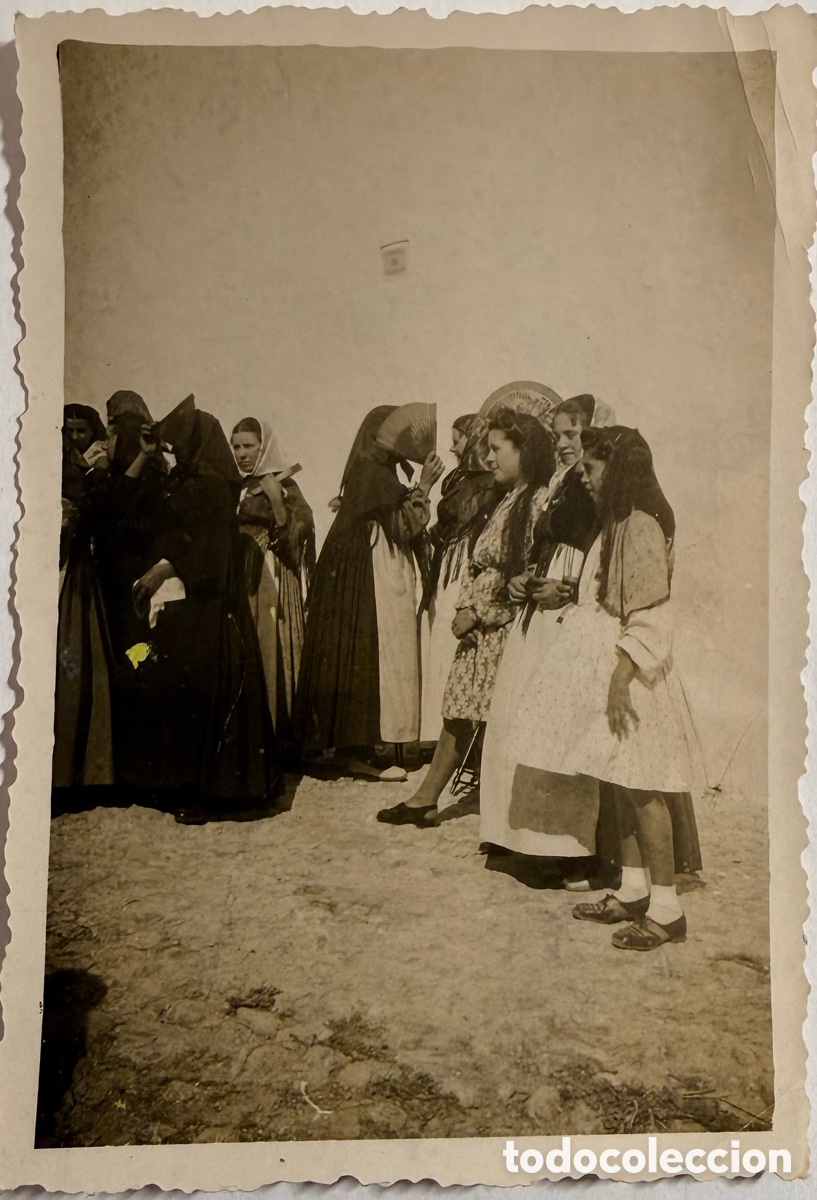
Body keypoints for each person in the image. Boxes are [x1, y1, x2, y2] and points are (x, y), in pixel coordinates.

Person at [512, 425, 705, 949]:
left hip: (634, 676)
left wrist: (621, 678)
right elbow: (608, 592)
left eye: (592, 470)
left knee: (644, 789)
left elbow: (650, 613)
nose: (586, 480)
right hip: (612, 670)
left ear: (616, 470)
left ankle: (667, 908)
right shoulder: (612, 526)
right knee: (618, 784)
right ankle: (634, 887)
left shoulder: (639, 525)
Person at [378, 406, 556, 826]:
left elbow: (522, 571)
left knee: (499, 721)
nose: (489, 458)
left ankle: (510, 815)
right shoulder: (507, 498)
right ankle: (426, 799)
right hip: (480, 629)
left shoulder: (536, 502)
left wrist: (476, 612)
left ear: (524, 451)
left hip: (501, 631)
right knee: (458, 714)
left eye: (497, 449)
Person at [125, 396, 282, 823]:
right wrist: (146, 455)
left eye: (178, 448)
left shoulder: (212, 488)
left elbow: (208, 554)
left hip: (211, 610)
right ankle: (184, 784)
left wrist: (163, 570)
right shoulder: (186, 482)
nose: (174, 455)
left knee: (206, 695)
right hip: (189, 607)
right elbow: (145, 520)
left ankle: (209, 793)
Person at [479, 395, 610, 861]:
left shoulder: (603, 484)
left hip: (575, 611)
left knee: (561, 726)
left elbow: (609, 555)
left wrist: (571, 589)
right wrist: (522, 578)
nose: (562, 444)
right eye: (557, 436)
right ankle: (518, 835)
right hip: (541, 609)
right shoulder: (561, 482)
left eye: (571, 434)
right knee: (521, 713)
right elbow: (543, 543)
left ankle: (561, 850)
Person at [293, 405, 444, 780]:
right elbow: (405, 525)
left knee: (362, 651)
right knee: (369, 649)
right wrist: (423, 486)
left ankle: (356, 745)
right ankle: (358, 750)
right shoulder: (374, 475)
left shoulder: (370, 473)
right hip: (367, 572)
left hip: (357, 569)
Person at [230, 417, 315, 760]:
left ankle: (281, 738)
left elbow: (299, 538)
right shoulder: (234, 486)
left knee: (273, 649)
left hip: (274, 576)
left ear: (263, 447)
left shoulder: (286, 485)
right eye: (236, 446)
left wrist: (276, 501)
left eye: (248, 446)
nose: (241, 453)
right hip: (242, 576)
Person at [418, 414, 500, 749]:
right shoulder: (455, 478)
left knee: (453, 642)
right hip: (447, 562)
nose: (452, 447)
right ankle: (438, 733)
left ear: (474, 437)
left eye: (458, 439)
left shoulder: (488, 483)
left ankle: (455, 737)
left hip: (463, 562)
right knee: (440, 639)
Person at [52, 405, 113, 793]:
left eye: (82, 430)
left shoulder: (102, 466)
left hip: (91, 573)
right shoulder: (57, 465)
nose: (76, 438)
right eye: (69, 431)